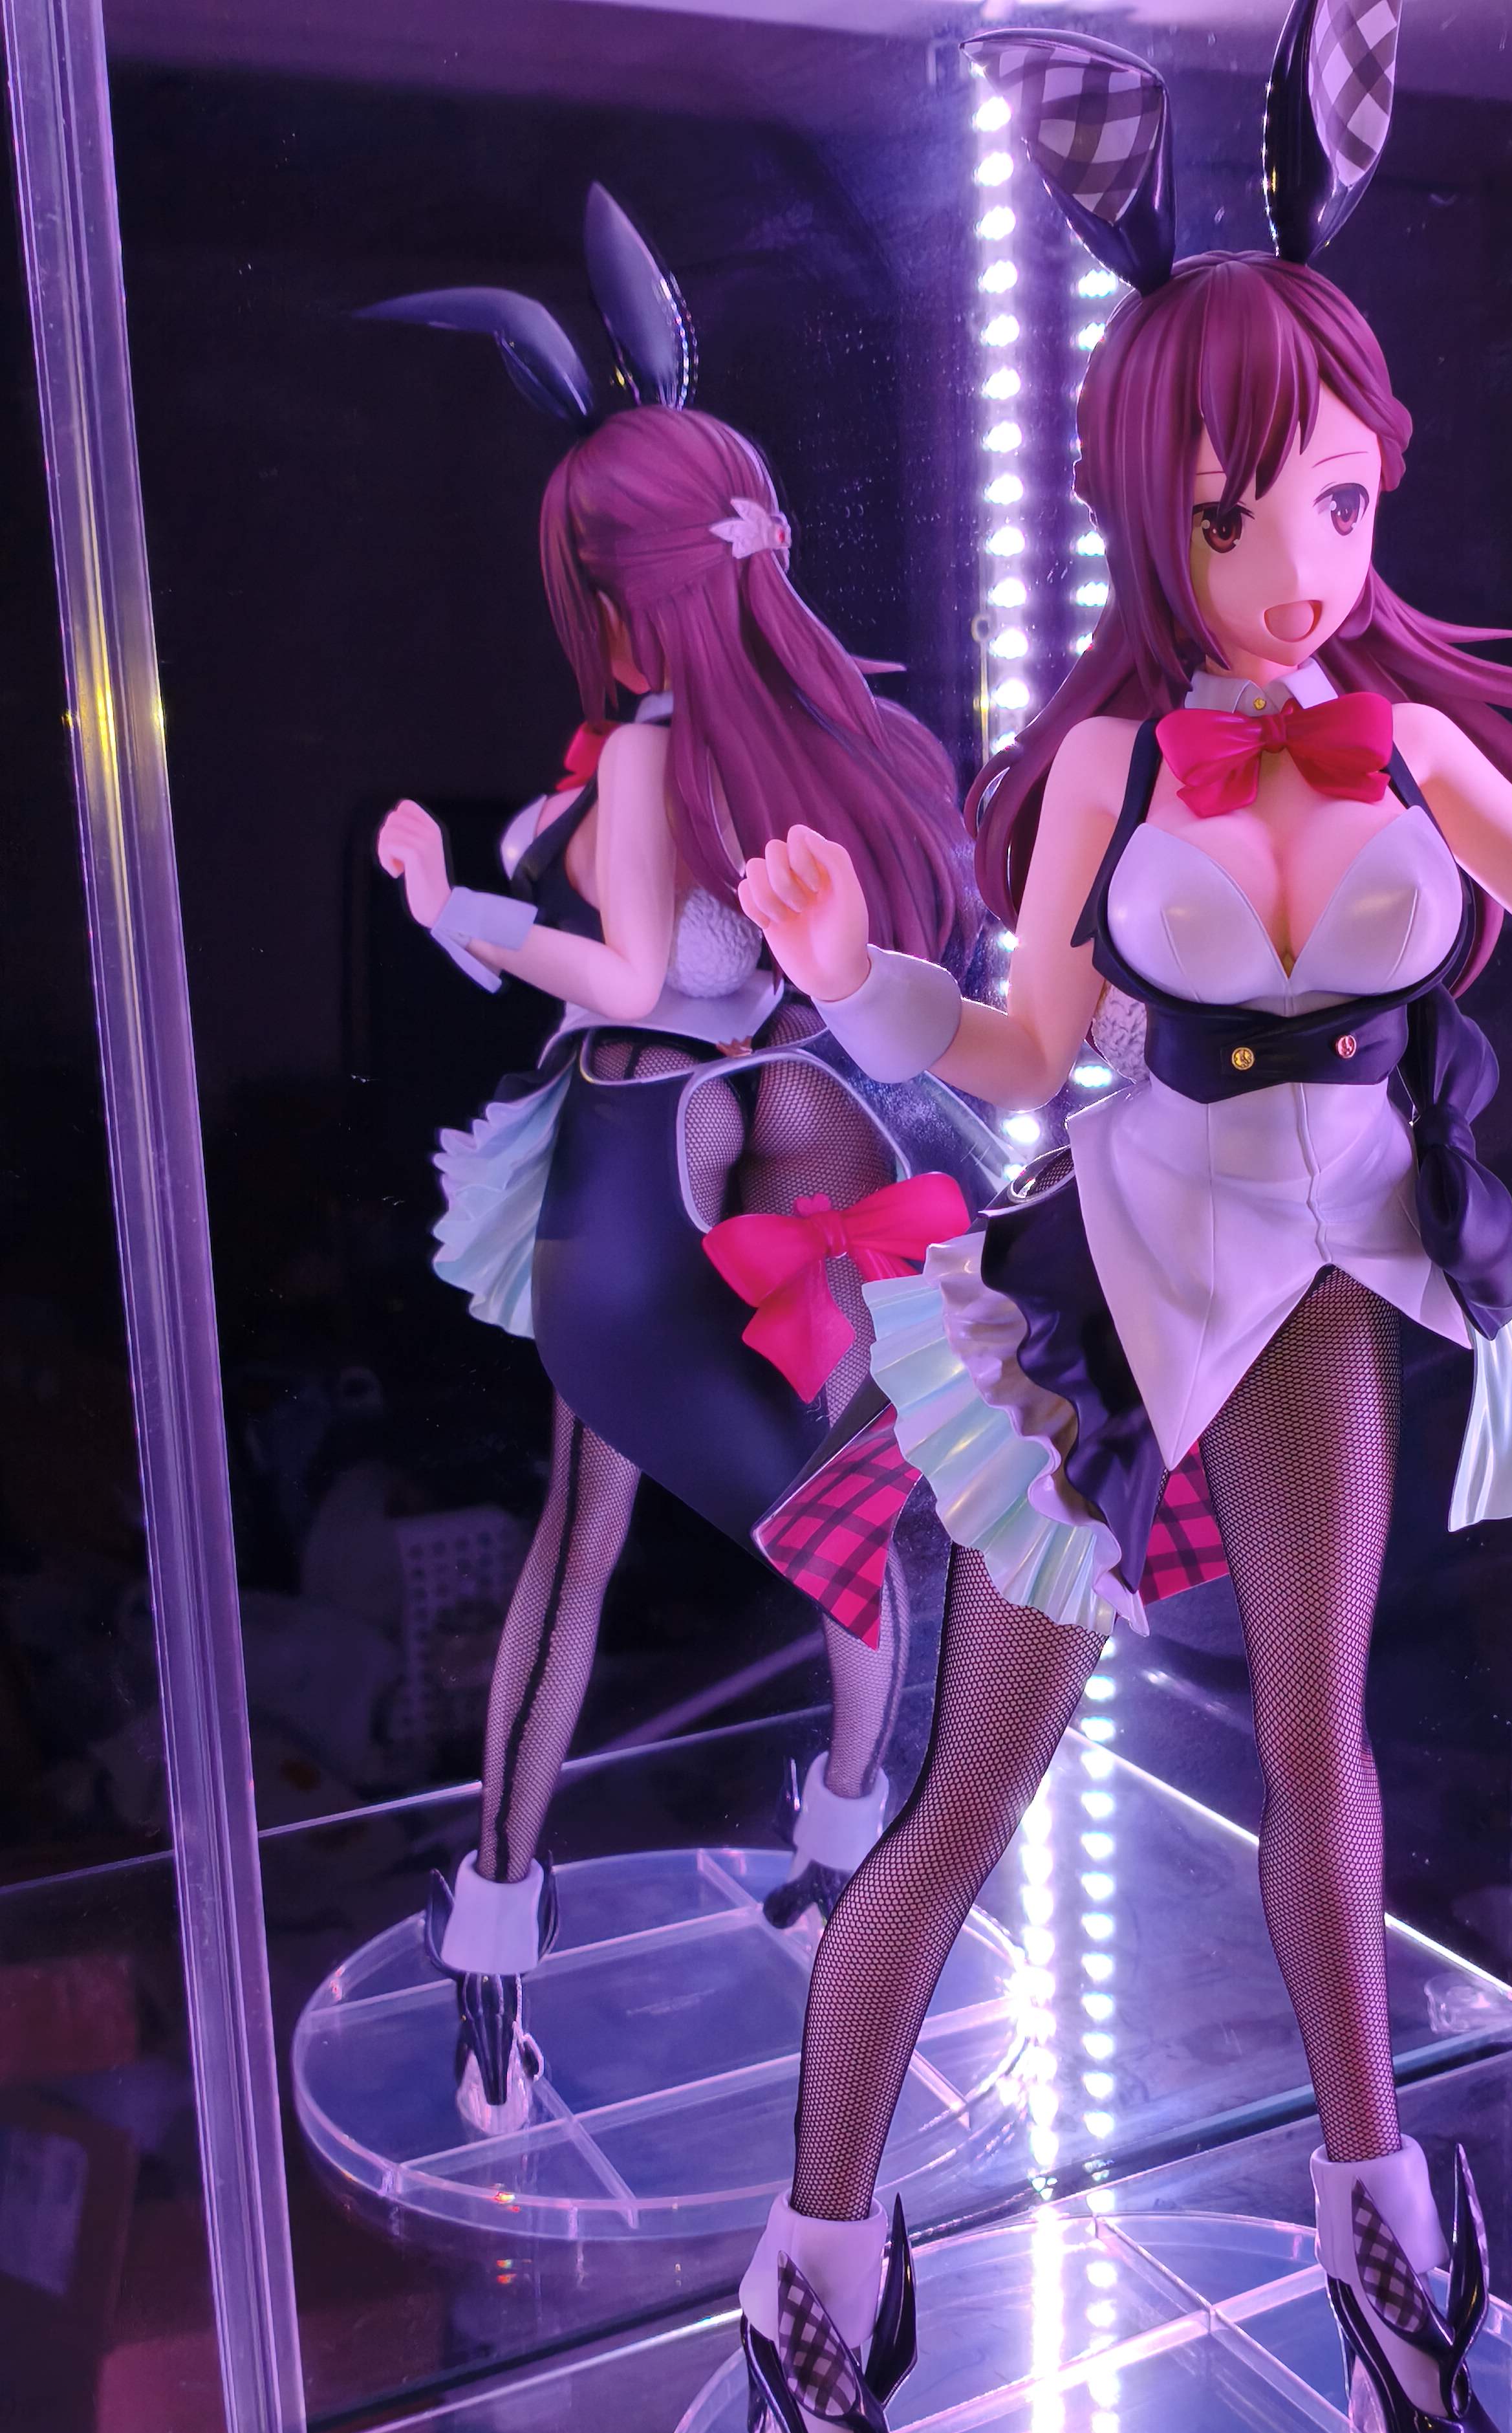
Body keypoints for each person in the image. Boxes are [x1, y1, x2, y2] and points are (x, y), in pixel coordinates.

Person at [718, 13, 1512, 2433]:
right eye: (1234, 510)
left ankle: (1386, 2267)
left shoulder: (1413, 744)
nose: (1294, 563)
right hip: (1117, 1282)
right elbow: (1021, 1049)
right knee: (968, 1797)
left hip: (1332, 1289)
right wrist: (853, 982)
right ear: (1151, 511)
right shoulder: (1107, 769)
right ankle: (809, 2281)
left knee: (1322, 1766)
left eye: (1337, 499)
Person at [370, 191, 998, 2135]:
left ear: (617, 586)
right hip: (703, 1163)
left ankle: (534, 1924)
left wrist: (453, 907)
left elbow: (630, 975)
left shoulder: (660, 748)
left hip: (671, 1166)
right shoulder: (810, 734)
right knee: (811, 1542)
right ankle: (823, 1857)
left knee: (673, 1542)